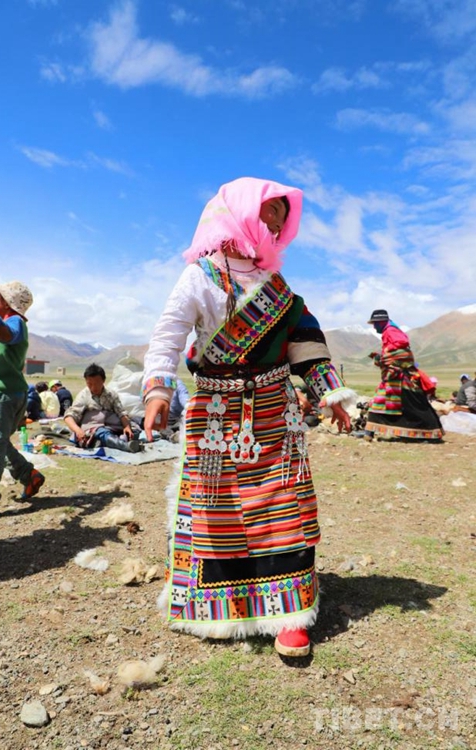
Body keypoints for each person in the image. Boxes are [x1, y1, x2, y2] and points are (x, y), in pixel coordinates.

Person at [142, 177, 355, 658]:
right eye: (268, 208)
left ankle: (290, 614)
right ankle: (218, 607)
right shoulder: (199, 276)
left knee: (282, 507)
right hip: (216, 417)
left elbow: (306, 344)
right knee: (217, 512)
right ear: (237, 211)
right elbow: (169, 333)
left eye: (282, 212)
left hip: (275, 415)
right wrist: (157, 387)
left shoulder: (278, 288)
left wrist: (330, 393)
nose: (276, 219)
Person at [0, 281, 45, 519]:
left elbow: (5, 335)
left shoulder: (15, 323)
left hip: (3, 396)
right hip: (9, 394)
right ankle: (29, 476)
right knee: (0, 442)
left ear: (6, 303)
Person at [364, 309, 444, 441]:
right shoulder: (389, 331)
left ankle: (369, 432)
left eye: (375, 323)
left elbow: (401, 347)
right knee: (409, 404)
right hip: (396, 375)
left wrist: (385, 355)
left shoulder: (390, 331)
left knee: (382, 401)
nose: (374, 327)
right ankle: (369, 432)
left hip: (398, 376)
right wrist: (384, 357)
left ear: (381, 322)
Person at [64, 363, 143, 452]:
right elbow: (69, 417)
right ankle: (125, 446)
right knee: (103, 433)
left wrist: (127, 427)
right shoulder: (83, 396)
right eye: (90, 384)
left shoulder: (111, 394)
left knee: (134, 430)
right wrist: (78, 431)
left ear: (103, 380)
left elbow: (121, 413)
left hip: (112, 425)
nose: (93, 387)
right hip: (93, 426)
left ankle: (107, 442)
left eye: (97, 383)